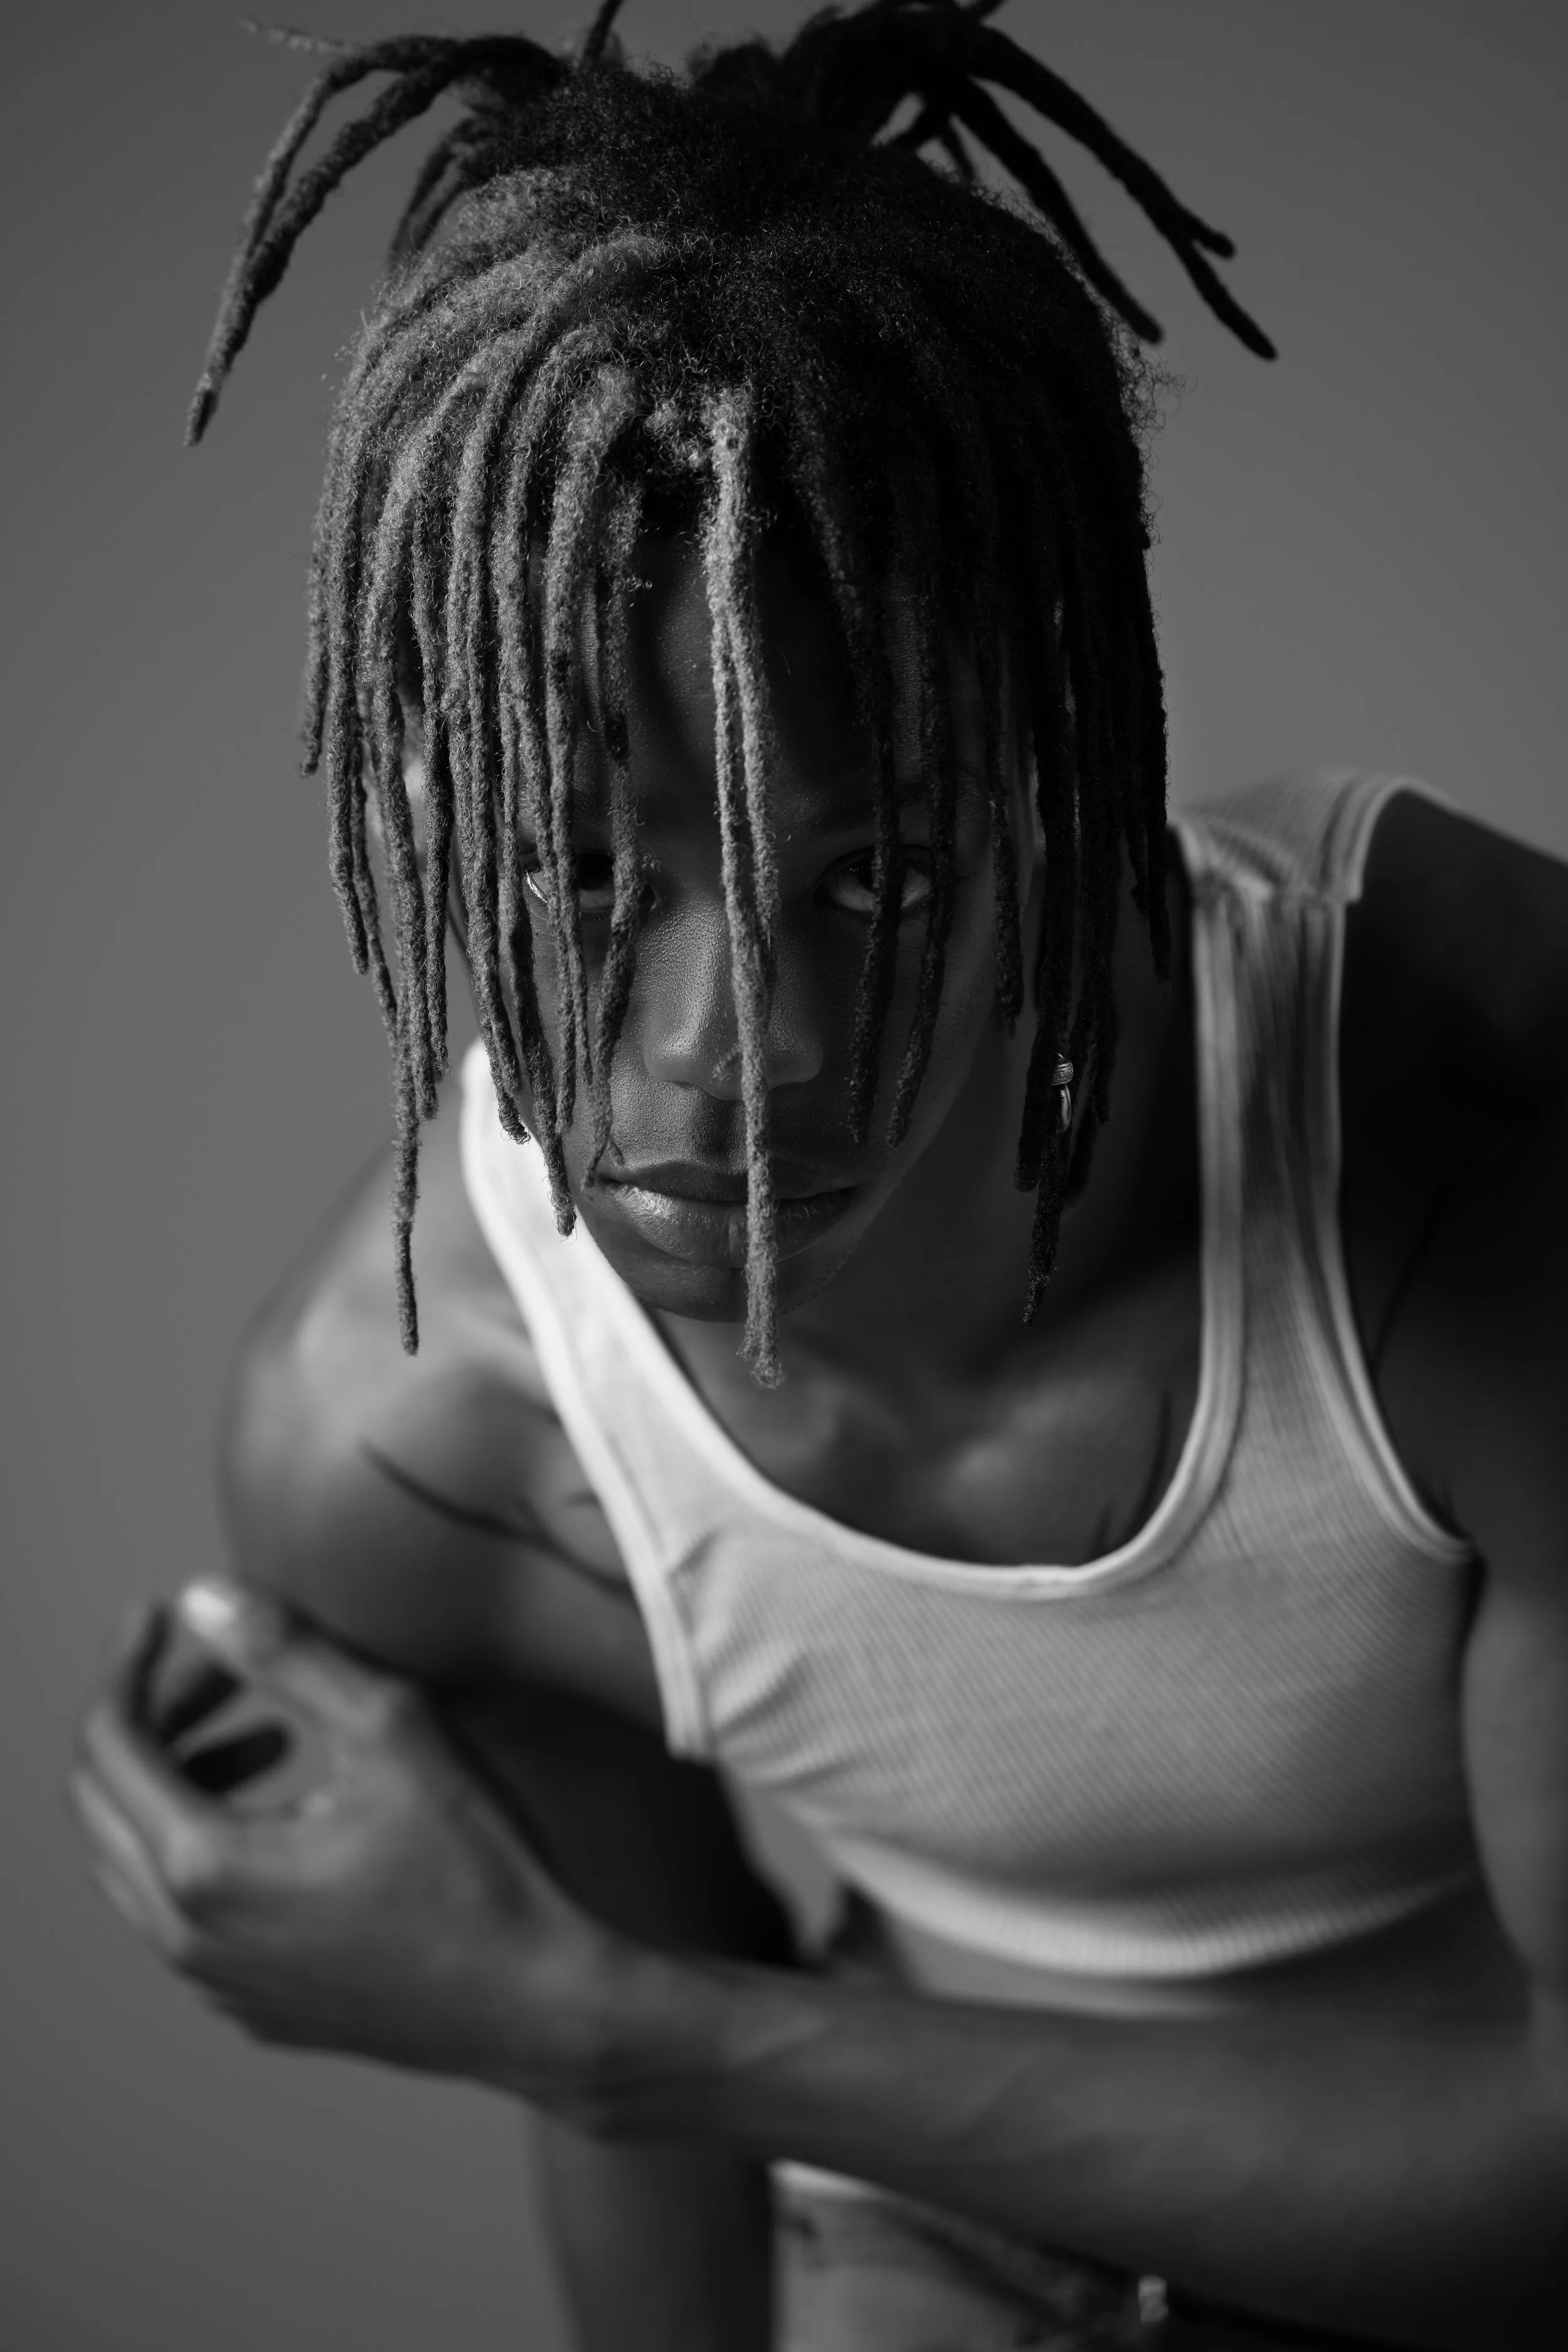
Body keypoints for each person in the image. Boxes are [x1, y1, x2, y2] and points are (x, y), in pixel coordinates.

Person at [69, 4, 1568, 2347]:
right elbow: (639, 2145)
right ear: (418, 797)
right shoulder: (427, 1436)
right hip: (927, 2229)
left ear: (1057, 766)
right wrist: (624, 2045)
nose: (733, 1061)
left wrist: (601, 2025)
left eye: (877, 877)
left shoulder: (1474, 1095)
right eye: (581, 869)